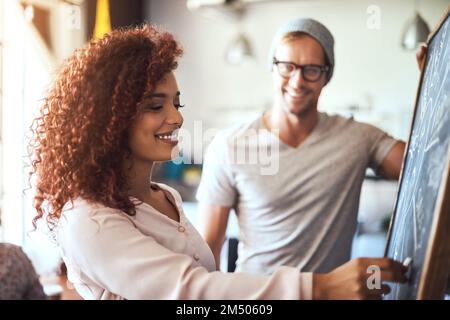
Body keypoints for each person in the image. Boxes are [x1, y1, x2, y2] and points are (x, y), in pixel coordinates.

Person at [28, 24, 407, 300]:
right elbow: (191, 290)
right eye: (155, 105)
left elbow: (203, 277)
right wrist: (320, 288)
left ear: (327, 76)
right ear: (109, 117)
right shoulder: (88, 219)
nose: (176, 119)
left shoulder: (165, 199)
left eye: (176, 104)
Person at [196, 18, 426, 275]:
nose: (297, 81)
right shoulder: (229, 145)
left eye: (312, 69)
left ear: (326, 75)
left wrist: (433, 84)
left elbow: (426, 167)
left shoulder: (358, 138)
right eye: (287, 67)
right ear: (272, 68)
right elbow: (208, 251)